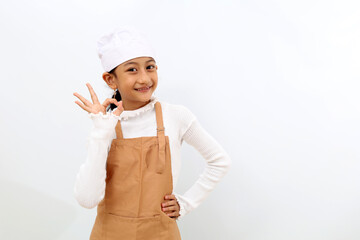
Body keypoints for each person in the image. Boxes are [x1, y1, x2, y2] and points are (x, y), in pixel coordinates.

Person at [73, 25, 232, 239]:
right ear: (111, 80)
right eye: (132, 69)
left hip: (160, 234)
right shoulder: (105, 127)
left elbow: (219, 161)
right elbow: (87, 199)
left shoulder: (176, 116)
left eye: (150, 67)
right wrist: (101, 129)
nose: (145, 78)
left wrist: (186, 203)